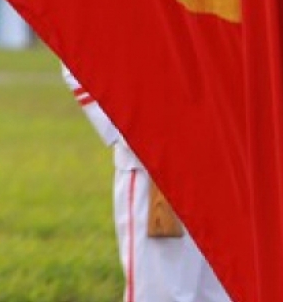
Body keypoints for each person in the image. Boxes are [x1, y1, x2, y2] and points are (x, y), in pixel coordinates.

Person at [63, 66, 229, 301]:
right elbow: (80, 46)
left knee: (223, 292)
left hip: (229, 157)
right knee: (161, 292)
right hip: (156, 169)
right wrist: (136, 129)